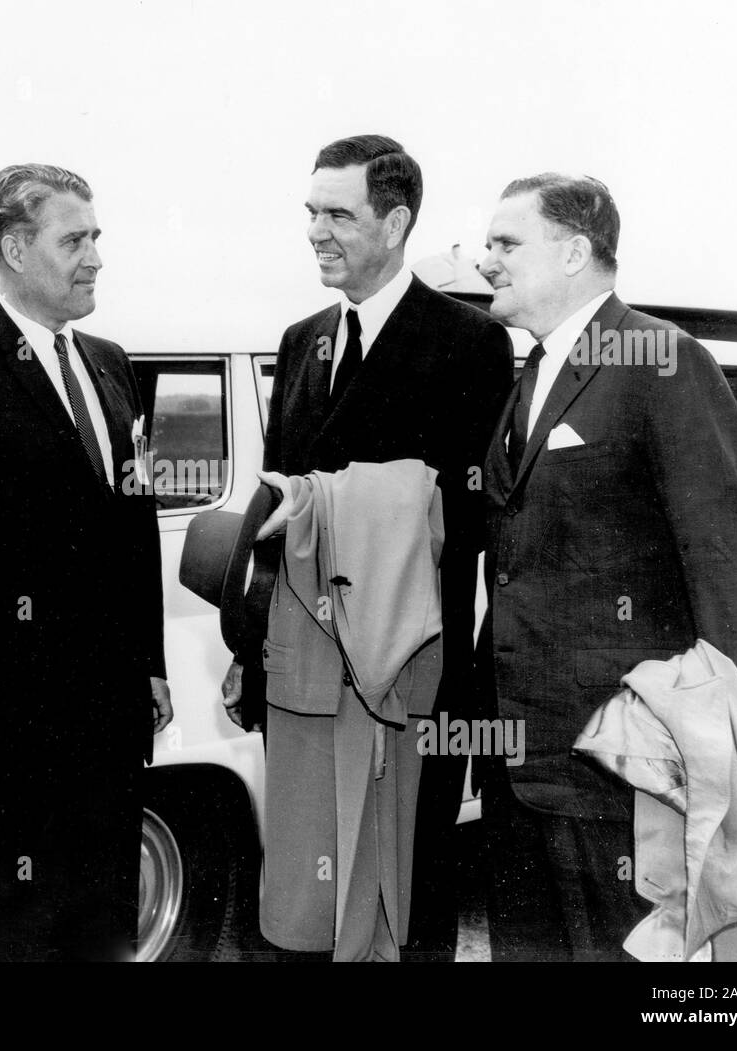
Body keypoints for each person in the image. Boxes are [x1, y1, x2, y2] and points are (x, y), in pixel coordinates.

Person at [475, 172, 737, 960]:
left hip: (621, 769)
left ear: (576, 250)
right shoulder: (532, 375)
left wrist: (722, 750)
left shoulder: (661, 359)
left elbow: (730, 567)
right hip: (521, 762)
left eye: (507, 242)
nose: (487, 262)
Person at [221, 134, 512, 960]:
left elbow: (468, 513)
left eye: (338, 214)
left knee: (404, 890)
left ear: (395, 221)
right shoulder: (300, 339)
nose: (316, 230)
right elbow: (276, 503)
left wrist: (338, 508)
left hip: (406, 669)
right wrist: (250, 645)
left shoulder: (470, 343)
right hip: (305, 669)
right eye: (310, 212)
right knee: (312, 897)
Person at [0, 163, 171, 961]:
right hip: (3, 731)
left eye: (97, 239)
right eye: (74, 239)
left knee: (103, 928)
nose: (95, 258)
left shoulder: (111, 363)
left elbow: (133, 528)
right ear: (15, 248)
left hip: (110, 721)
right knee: (9, 932)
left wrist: (149, 666)